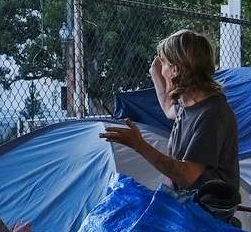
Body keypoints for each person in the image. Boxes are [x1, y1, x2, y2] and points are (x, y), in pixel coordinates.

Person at [101, 28, 241, 206]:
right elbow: (169, 109)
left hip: (206, 217)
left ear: (175, 70)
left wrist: (139, 145)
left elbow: (187, 175)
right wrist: (155, 74)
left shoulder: (212, 114)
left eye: (164, 64)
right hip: (186, 206)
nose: (162, 70)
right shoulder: (189, 103)